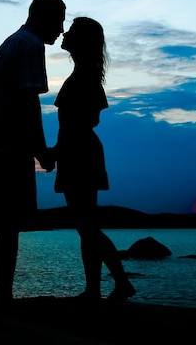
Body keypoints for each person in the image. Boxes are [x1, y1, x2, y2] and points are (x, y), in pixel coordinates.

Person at [0, 0, 66, 309]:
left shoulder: (12, 41)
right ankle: (2, 301)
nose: (61, 30)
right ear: (43, 17)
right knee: (7, 227)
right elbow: (28, 102)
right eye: (59, 20)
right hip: (9, 146)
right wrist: (41, 150)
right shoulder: (30, 45)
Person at [52, 17, 136, 303]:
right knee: (84, 225)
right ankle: (94, 289)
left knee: (86, 225)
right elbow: (80, 122)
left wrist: (57, 150)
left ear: (83, 40)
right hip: (77, 150)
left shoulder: (85, 76)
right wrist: (57, 149)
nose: (65, 33)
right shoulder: (83, 74)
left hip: (79, 153)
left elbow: (85, 121)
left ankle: (121, 283)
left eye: (72, 31)